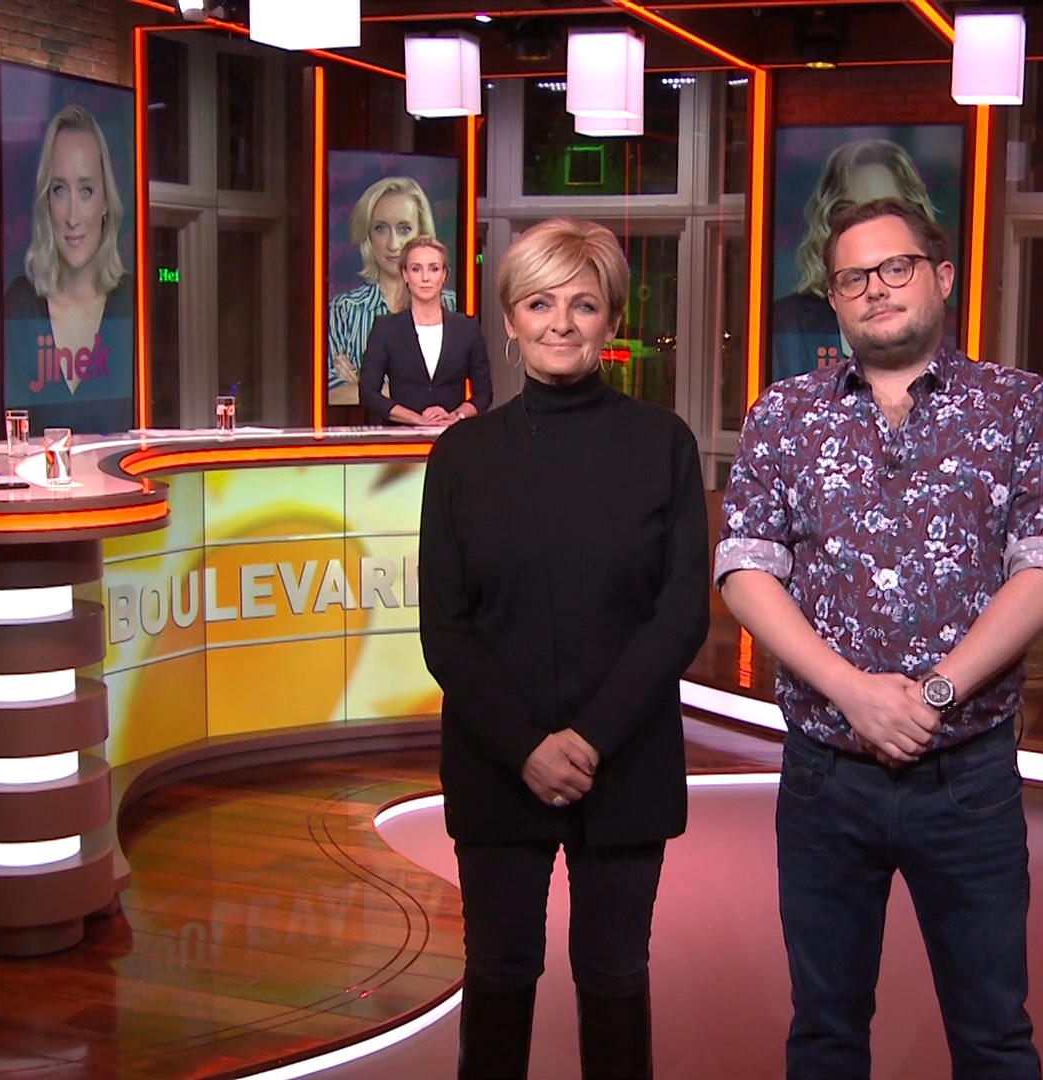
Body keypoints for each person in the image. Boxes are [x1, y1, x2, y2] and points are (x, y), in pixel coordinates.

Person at [718, 197, 1043, 1079]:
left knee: (993, 1034)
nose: (876, 289)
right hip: (823, 774)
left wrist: (935, 693)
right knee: (825, 1033)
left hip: (968, 773)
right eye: (853, 277)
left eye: (896, 267)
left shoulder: (1018, 405)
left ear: (941, 276)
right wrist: (851, 691)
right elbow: (745, 570)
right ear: (834, 299)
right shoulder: (785, 413)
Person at [419, 219, 709, 1079]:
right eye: (540, 303)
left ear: (611, 321)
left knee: (614, 977)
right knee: (499, 973)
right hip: (495, 763)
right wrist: (526, 748)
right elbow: (446, 627)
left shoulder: (662, 443)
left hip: (626, 764)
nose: (561, 322)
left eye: (583, 305)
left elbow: (680, 613)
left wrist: (587, 742)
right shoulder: (462, 455)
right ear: (510, 320)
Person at [3, 104, 133, 434]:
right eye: (60, 190)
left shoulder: (132, 303)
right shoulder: (20, 305)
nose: (73, 217)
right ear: (46, 202)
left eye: (86, 191)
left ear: (106, 202)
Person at [770, 139, 942, 378]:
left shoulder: (988, 390)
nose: (866, 231)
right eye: (850, 213)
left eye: (884, 212)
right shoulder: (784, 325)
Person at [328, 176, 457, 405]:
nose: (393, 244)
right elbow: (331, 395)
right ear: (368, 235)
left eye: (404, 229)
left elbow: (456, 391)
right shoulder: (344, 311)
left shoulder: (451, 306)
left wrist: (364, 387)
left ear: (422, 234)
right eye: (381, 229)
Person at [358, 236, 492, 426]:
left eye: (434, 269)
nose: (425, 278)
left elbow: (484, 393)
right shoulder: (386, 329)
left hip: (453, 437)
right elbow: (368, 393)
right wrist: (417, 419)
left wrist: (455, 416)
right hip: (403, 438)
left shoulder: (467, 328)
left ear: (444, 275)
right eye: (416, 269)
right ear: (405, 274)